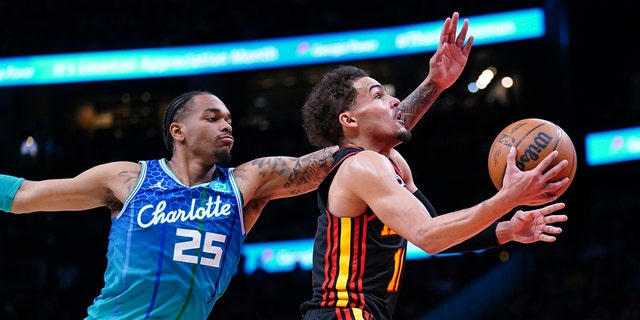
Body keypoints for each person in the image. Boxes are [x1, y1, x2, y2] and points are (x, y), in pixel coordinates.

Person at [0, 12, 477, 319]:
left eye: (230, 118)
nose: (227, 125)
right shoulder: (126, 178)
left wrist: (433, 86)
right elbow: (24, 197)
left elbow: (357, 144)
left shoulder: (249, 181)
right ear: (178, 130)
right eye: (212, 117)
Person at [298, 13, 570, 320]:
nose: (395, 100)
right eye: (378, 95)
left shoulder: (390, 162)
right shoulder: (362, 165)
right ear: (349, 120)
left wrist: (507, 231)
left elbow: (437, 233)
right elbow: (428, 235)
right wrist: (507, 198)